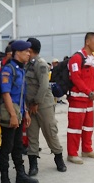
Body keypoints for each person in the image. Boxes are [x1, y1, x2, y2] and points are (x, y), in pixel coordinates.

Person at [0, 40, 38, 183]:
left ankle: (20, 174)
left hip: (19, 112)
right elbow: (6, 93)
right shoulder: (8, 70)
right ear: (17, 52)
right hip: (10, 114)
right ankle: (4, 179)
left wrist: (25, 112)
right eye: (26, 51)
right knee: (6, 147)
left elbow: (21, 95)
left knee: (18, 145)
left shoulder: (21, 69)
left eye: (29, 52)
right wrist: (13, 115)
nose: (29, 54)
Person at [24, 38, 67, 174]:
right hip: (30, 105)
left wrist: (36, 103)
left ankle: (58, 158)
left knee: (50, 132)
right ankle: (33, 164)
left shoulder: (41, 64)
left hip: (43, 105)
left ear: (30, 50)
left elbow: (43, 86)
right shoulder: (26, 65)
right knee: (32, 134)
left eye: (26, 49)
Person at [67, 33, 94, 164]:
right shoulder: (77, 57)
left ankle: (87, 150)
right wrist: (89, 92)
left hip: (89, 100)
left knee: (88, 127)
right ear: (88, 42)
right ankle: (72, 153)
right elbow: (76, 78)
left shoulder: (92, 58)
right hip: (77, 100)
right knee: (75, 128)